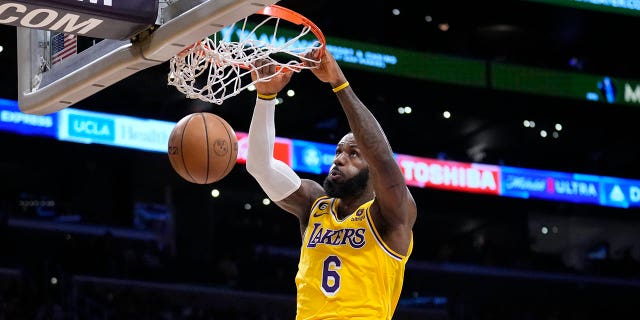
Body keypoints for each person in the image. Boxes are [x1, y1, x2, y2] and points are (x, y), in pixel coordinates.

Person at [246, 48, 417, 319]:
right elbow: (260, 166)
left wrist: (339, 82)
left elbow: (382, 156)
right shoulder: (313, 204)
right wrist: (265, 97)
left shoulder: (390, 214)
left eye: (353, 154)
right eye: (338, 151)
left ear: (372, 167)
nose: (339, 159)